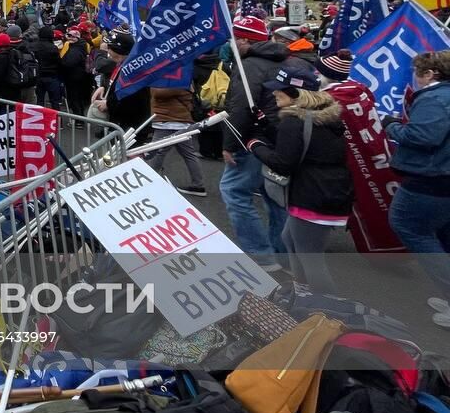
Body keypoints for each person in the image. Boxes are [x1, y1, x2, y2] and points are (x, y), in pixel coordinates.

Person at [220, 15, 313, 268]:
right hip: (280, 135)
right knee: (273, 197)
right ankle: (283, 255)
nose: (229, 43)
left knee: (234, 191)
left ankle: (259, 254)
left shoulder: (249, 65)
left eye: (233, 39)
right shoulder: (285, 58)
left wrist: (230, 143)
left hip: (254, 138)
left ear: (244, 40)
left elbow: (240, 107)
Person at [249, 69, 352, 293]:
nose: (274, 93)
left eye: (281, 90)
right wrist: (267, 127)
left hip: (312, 194)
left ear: (296, 94)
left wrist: (255, 146)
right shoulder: (322, 114)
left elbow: (283, 162)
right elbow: (302, 145)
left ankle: (330, 308)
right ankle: (303, 292)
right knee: (290, 239)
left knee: (310, 256)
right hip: (330, 191)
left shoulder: (294, 120)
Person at [384, 50, 450, 326]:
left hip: (430, 177)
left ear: (429, 74)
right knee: (443, 234)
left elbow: (424, 135)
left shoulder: (436, 99)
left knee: (410, 227)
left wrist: (393, 127)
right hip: (441, 176)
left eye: (416, 72)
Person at [146, 83, 207, 197]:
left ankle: (148, 181)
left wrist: (153, 83)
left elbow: (158, 93)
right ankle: (198, 185)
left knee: (155, 152)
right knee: (188, 154)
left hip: (170, 122)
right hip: (176, 121)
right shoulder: (182, 76)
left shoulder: (177, 79)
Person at [59, 29, 93, 115]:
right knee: (77, 98)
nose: (69, 38)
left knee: (75, 98)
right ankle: (78, 117)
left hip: (74, 77)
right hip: (78, 76)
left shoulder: (76, 50)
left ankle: (78, 120)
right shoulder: (78, 46)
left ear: (77, 38)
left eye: (72, 36)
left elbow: (69, 62)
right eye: (68, 35)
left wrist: (61, 62)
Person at [33, 29, 64, 110]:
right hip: (52, 76)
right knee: (54, 101)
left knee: (39, 101)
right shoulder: (53, 48)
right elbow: (58, 63)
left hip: (39, 76)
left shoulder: (35, 46)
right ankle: (56, 121)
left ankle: (40, 120)